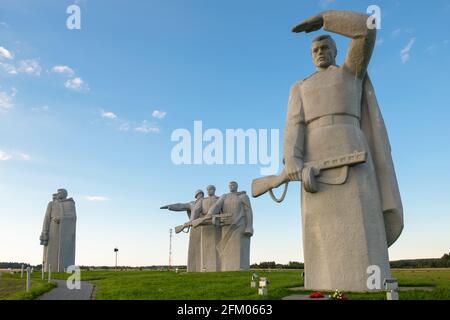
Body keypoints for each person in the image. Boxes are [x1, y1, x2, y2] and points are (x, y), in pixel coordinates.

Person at [283, 10, 403, 291]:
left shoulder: (352, 73)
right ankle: (323, 282)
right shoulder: (300, 87)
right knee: (320, 228)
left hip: (353, 147)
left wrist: (325, 19)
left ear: (337, 50)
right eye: (315, 49)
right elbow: (293, 126)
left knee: (362, 220)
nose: (320, 51)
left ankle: (370, 284)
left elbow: (367, 28)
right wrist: (292, 159)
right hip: (313, 158)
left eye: (325, 47)